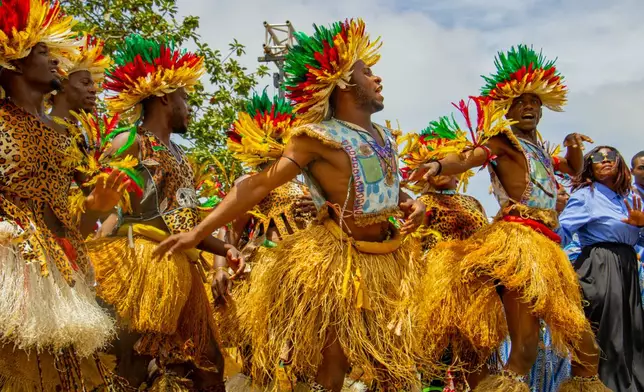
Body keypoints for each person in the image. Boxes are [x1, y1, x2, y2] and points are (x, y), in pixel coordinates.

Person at [154, 19, 426, 392]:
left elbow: (383, 189)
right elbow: (257, 185)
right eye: (367, 72)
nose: (377, 79)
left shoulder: (381, 135)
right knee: (332, 364)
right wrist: (198, 233)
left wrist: (411, 203)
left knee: (396, 369)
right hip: (340, 266)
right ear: (343, 82)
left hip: (391, 261)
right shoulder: (317, 138)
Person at [410, 44, 607, 391]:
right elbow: (469, 158)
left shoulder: (541, 150)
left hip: (549, 247)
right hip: (519, 246)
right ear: (507, 107)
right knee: (524, 351)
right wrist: (439, 164)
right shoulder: (502, 141)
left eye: (534, 102)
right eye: (520, 102)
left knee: (586, 350)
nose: (528, 107)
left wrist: (574, 145)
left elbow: (573, 170)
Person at [84, 34, 242, 391]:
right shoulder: (129, 141)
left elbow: (187, 219)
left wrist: (224, 249)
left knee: (207, 365)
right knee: (132, 360)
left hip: (182, 269)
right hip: (140, 264)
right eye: (186, 98)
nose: (190, 107)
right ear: (167, 98)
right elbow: (102, 206)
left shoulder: (182, 156)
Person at [0, 1, 127, 389]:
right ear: (14, 62)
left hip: (62, 271)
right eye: (43, 52)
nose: (55, 61)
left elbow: (77, 221)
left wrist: (96, 207)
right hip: (11, 266)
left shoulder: (65, 136)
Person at [558, 146, 644, 391]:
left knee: (632, 335)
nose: (605, 160)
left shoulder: (627, 197)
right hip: (600, 267)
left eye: (611, 157)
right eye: (598, 157)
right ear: (589, 166)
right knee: (608, 335)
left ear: (620, 164)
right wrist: (545, 221)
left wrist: (642, 225)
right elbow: (563, 233)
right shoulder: (586, 196)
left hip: (627, 268)